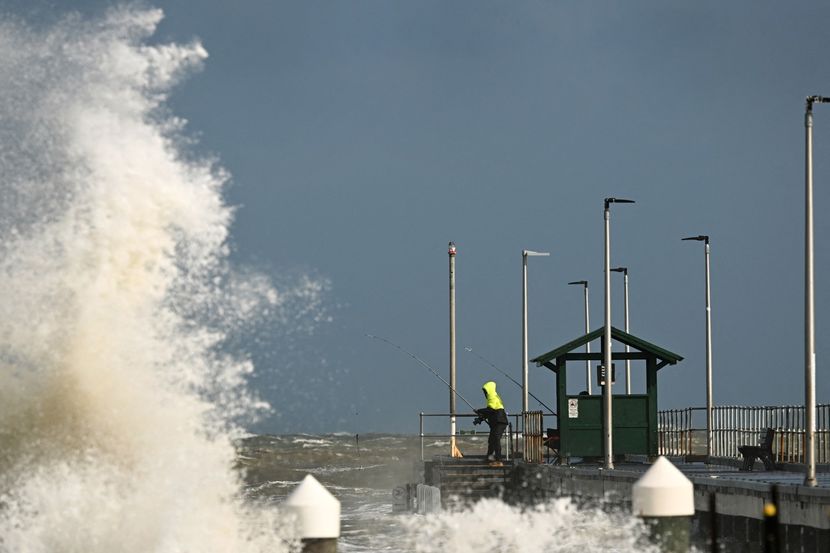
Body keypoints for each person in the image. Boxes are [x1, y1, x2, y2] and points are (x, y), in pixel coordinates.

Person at [473, 380, 509, 464]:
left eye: (485, 391)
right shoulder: (491, 398)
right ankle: (489, 457)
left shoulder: (493, 397)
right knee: (491, 440)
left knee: (496, 439)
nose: (484, 393)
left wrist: (479, 410)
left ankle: (498, 459)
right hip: (495, 423)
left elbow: (491, 409)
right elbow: (491, 412)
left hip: (500, 422)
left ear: (489, 390)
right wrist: (480, 419)